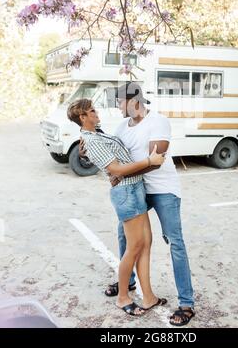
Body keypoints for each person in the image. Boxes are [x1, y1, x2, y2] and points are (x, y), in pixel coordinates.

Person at [67, 98, 167, 316]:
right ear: (83, 117)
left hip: (135, 188)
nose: (96, 112)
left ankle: (148, 296)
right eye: (92, 110)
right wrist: (151, 161)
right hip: (126, 193)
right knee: (134, 247)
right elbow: (117, 169)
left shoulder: (96, 134)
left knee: (146, 243)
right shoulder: (91, 140)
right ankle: (123, 297)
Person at [107, 82, 195, 327]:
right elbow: (110, 151)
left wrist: (122, 173)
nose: (118, 105)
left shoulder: (158, 121)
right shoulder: (122, 126)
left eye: (120, 101)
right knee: (125, 237)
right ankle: (129, 281)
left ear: (134, 100)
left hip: (163, 190)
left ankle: (186, 303)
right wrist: (87, 148)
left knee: (175, 242)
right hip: (136, 190)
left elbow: (155, 161)